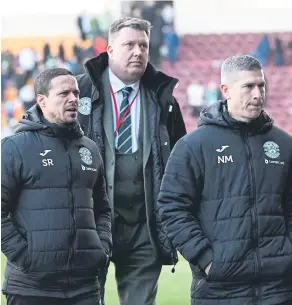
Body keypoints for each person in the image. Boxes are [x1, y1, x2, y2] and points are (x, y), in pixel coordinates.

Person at [158, 55, 292, 305]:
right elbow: (171, 207)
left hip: (279, 288)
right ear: (226, 90)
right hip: (219, 290)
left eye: (261, 85)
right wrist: (207, 259)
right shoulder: (193, 146)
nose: (257, 94)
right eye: (248, 86)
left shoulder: (284, 144)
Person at [76, 17, 186, 305]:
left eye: (143, 45)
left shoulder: (164, 99)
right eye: (129, 44)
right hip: (90, 224)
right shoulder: (78, 92)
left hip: (145, 225)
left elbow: (180, 160)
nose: (138, 51)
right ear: (110, 49)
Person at [1, 68, 112, 305]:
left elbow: (103, 209)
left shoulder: (90, 150)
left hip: (85, 287)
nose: (73, 99)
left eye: (76, 93)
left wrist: (101, 249)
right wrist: (25, 256)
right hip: (31, 288)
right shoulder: (14, 148)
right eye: (64, 93)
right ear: (42, 100)